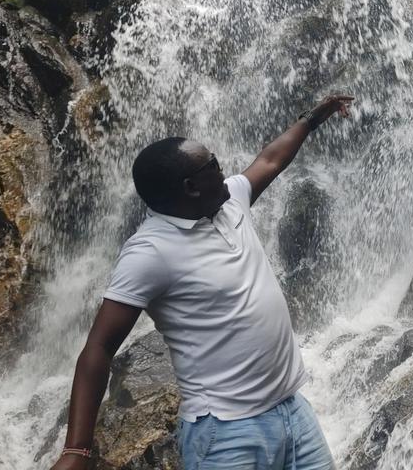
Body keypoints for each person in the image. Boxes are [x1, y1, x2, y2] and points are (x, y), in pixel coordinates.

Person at [50, 95, 354, 470]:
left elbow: (270, 160)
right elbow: (98, 346)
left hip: (293, 412)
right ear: (191, 187)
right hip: (227, 435)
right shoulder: (149, 252)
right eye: (212, 164)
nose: (222, 167)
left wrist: (312, 119)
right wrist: (76, 451)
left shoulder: (231, 203)